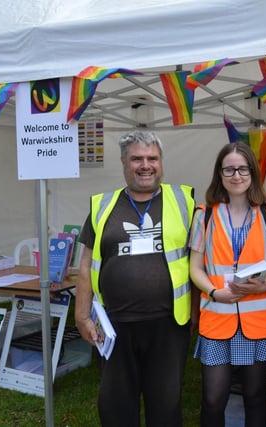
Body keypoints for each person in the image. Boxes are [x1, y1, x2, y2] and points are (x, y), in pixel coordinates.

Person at [75, 130, 196, 427]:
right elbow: (86, 264)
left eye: (152, 158)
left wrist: (198, 313)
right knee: (116, 407)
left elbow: (200, 261)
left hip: (168, 323)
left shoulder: (185, 201)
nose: (145, 165)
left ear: (161, 162)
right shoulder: (102, 205)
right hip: (114, 324)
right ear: (123, 163)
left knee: (166, 407)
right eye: (137, 159)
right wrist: (81, 316)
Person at [189, 141, 266, 427]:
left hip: (259, 323)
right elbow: (195, 268)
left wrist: (263, 286)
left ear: (253, 173)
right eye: (229, 169)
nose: (236, 175)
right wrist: (214, 292)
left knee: (255, 396)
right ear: (219, 174)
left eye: (243, 169)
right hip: (217, 321)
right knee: (212, 399)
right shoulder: (203, 213)